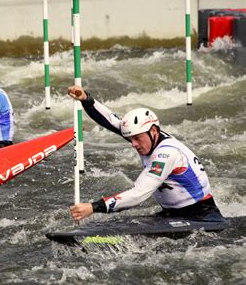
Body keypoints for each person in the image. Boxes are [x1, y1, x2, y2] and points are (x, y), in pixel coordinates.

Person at [67, 85, 224, 222]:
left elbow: (138, 194)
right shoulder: (147, 136)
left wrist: (93, 207)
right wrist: (85, 99)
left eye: (136, 138)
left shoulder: (167, 154)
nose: (133, 144)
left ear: (154, 131)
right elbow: (110, 121)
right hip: (171, 214)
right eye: (130, 138)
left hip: (201, 215)